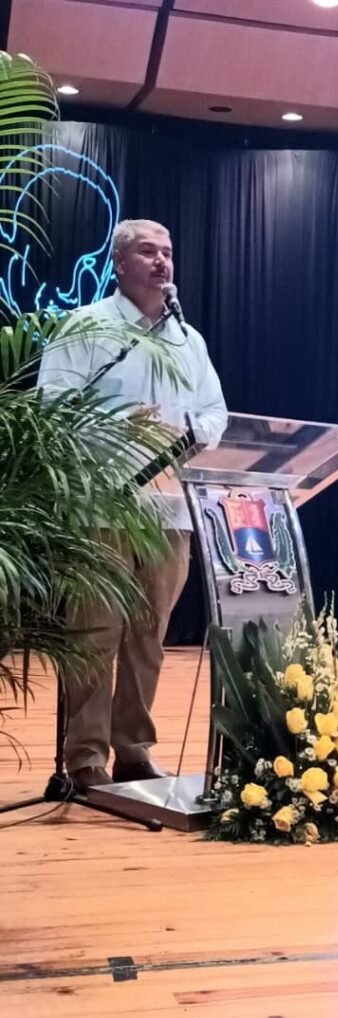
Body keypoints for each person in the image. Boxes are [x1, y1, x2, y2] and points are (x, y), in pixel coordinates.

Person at [37, 218, 228, 792]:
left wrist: (187, 431)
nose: (162, 261)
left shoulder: (188, 340)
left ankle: (134, 749)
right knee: (95, 631)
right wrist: (123, 425)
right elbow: (51, 404)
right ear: (119, 264)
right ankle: (85, 757)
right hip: (102, 506)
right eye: (148, 251)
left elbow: (216, 414)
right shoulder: (87, 326)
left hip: (168, 510)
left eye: (167, 252)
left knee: (149, 636)